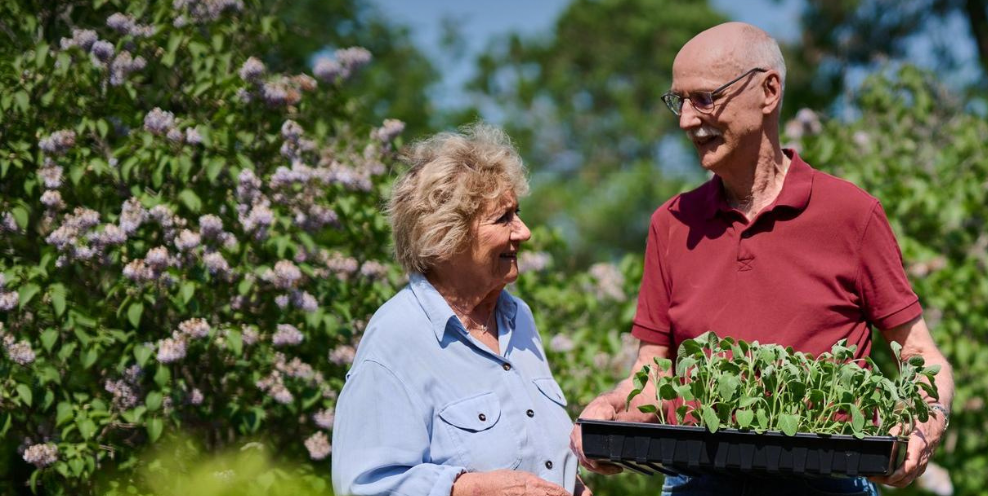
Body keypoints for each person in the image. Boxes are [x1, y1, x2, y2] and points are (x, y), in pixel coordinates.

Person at [569, 22, 956, 496]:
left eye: (704, 98)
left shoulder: (850, 214)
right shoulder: (671, 224)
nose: (686, 120)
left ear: (769, 91)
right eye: (679, 101)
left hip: (829, 483)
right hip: (698, 484)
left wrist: (923, 424)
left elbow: (920, 355)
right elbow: (651, 375)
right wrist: (612, 411)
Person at [332, 124, 587, 496]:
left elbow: (539, 457)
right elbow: (364, 486)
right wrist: (471, 490)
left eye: (517, 213)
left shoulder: (519, 319)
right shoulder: (397, 336)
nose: (524, 232)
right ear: (445, 236)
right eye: (504, 218)